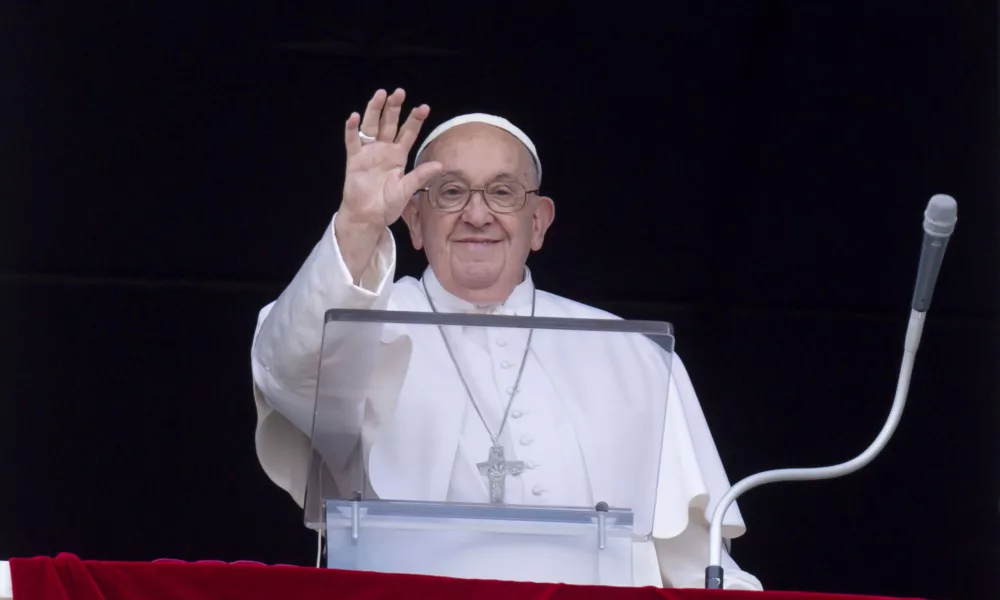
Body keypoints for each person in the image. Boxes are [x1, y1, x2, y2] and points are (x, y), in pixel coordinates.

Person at [250, 88, 763, 590]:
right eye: (450, 192)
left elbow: (696, 562)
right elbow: (290, 371)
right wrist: (358, 226)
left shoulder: (631, 354)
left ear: (538, 223)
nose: (477, 215)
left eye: (503, 192)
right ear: (414, 219)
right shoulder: (356, 324)